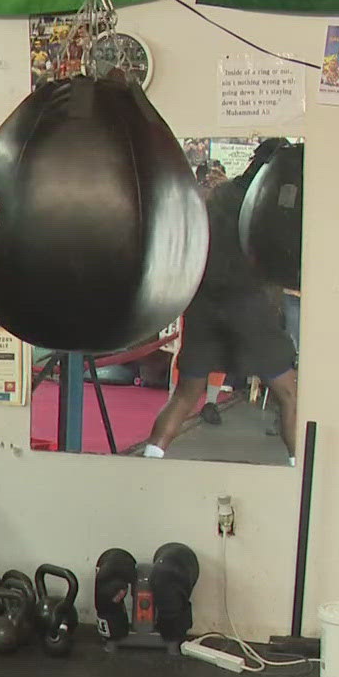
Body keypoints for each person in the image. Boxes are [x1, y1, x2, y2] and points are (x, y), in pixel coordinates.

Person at [144, 140, 299, 464]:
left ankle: (150, 460)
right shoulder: (272, 204)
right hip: (248, 303)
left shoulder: (218, 196)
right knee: (288, 394)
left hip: (204, 303)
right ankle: (298, 468)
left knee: (187, 394)